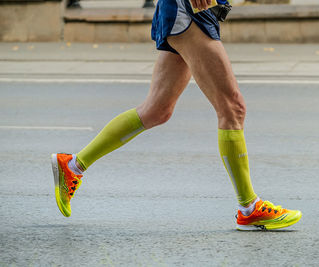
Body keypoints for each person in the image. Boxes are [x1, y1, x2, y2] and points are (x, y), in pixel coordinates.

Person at [51, 0, 302, 231]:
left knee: (157, 110)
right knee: (232, 108)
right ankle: (249, 208)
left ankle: (72, 165)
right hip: (189, 10)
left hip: (192, 11)